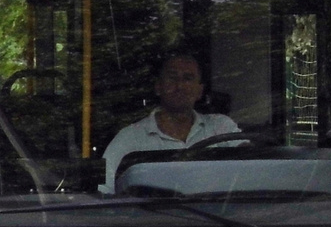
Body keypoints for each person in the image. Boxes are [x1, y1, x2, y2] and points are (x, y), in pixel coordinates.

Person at [100, 53, 240, 193]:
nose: (179, 86)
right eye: (172, 78)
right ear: (158, 86)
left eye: (188, 78)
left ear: (200, 91)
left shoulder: (221, 127)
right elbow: (103, 192)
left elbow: (250, 169)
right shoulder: (129, 138)